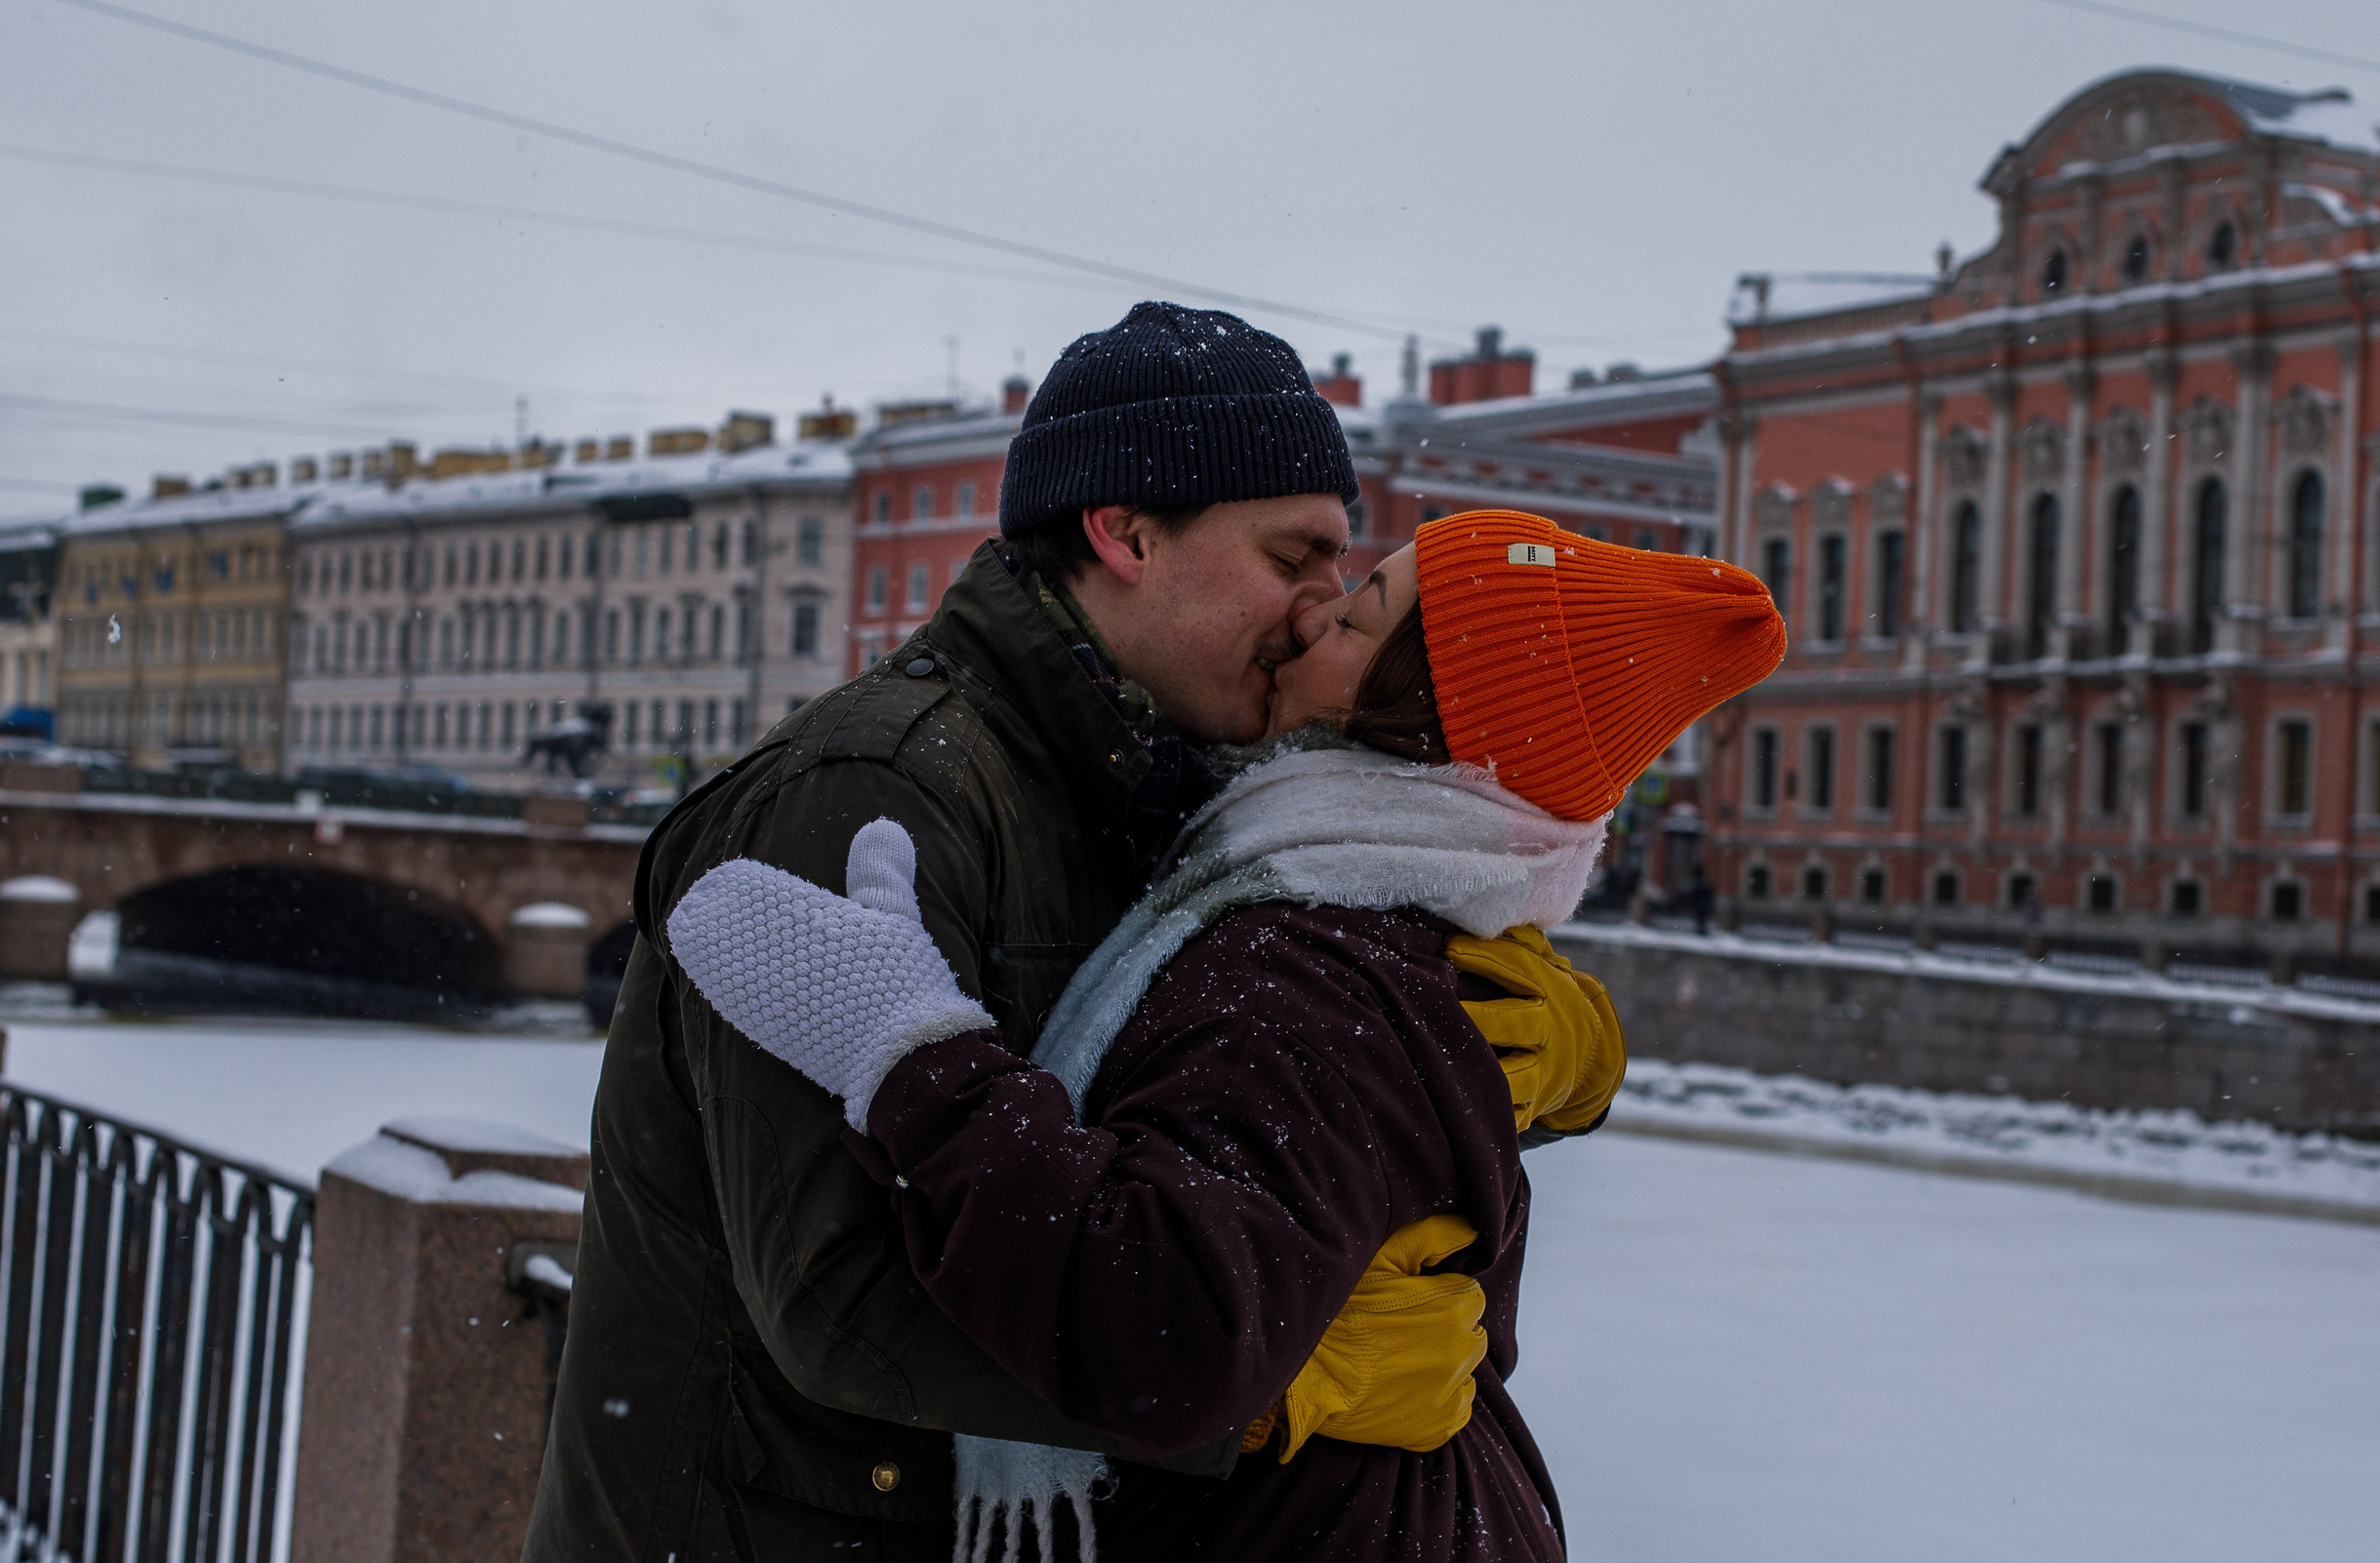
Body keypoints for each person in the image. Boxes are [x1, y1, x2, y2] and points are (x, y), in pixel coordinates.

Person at [527, 303, 1543, 1563]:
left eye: (1344, 567)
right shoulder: (868, 797)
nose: (1323, 610)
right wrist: (1269, 1381)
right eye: (1297, 557)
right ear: (1124, 532)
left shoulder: (1156, 798)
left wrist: (1549, 1042)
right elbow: (834, 1291)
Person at [671, 511, 1787, 1560]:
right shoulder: (1353, 902)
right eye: (1304, 569)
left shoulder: (1318, 960)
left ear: (1424, 716)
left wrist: (914, 1056)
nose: (1315, 612)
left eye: (1354, 613)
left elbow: (1167, 1334)